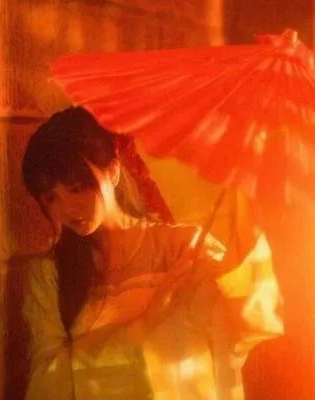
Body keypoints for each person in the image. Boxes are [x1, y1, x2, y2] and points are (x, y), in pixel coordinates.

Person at [21, 106, 282, 399]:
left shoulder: (182, 247)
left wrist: (245, 200)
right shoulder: (50, 274)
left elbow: (244, 324)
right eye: (51, 198)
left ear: (112, 171)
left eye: (77, 188)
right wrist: (144, 323)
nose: (67, 208)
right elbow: (47, 384)